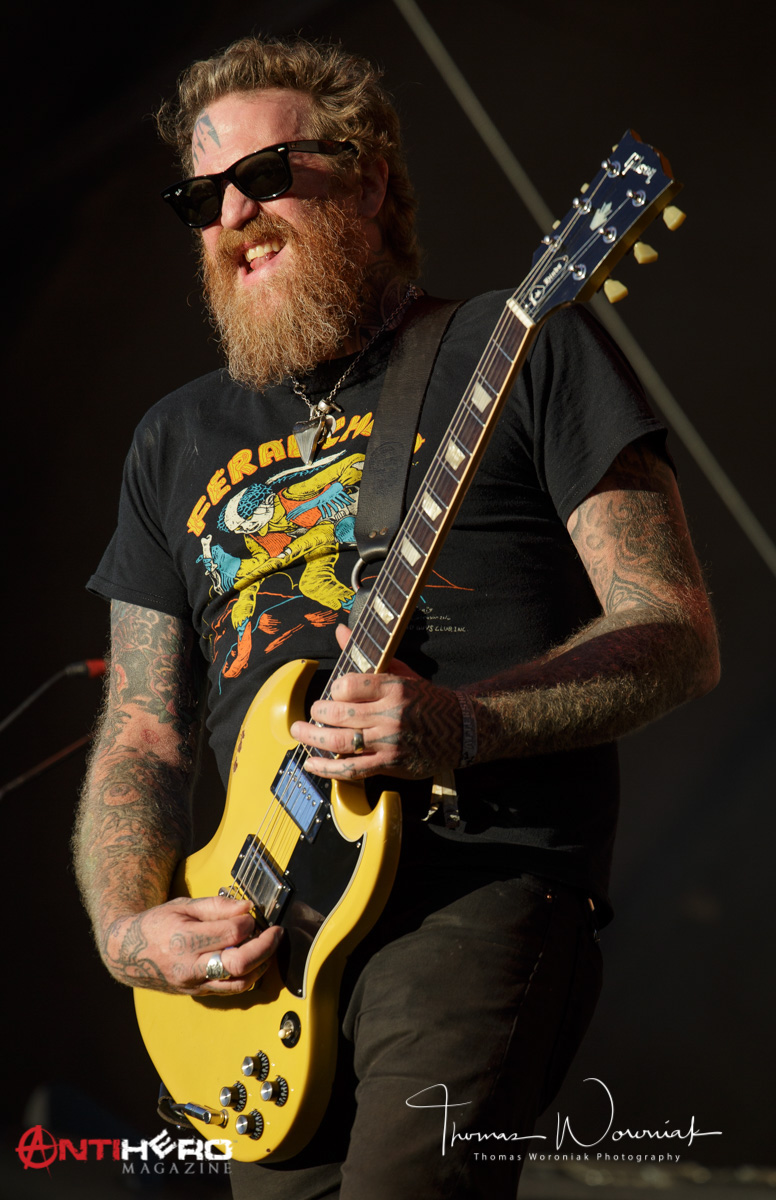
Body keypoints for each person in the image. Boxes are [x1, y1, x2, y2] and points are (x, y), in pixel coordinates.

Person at [73, 34, 720, 1200]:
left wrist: (462, 725)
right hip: (260, 952)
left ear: (368, 179)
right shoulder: (171, 441)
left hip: (469, 887)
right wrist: (130, 932)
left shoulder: (517, 344)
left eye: (265, 175)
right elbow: (142, 732)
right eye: (201, 197)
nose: (233, 215)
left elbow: (671, 630)